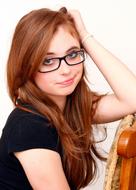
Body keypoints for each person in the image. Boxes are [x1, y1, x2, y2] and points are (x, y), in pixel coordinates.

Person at [0, 6, 136, 190]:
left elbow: (132, 98)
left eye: (72, 54)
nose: (66, 70)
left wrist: (84, 35)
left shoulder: (72, 107)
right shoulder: (28, 126)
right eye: (48, 60)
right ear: (27, 67)